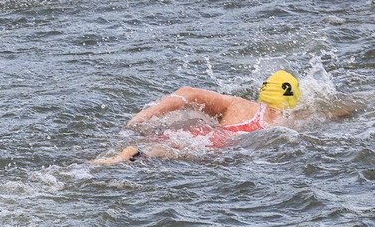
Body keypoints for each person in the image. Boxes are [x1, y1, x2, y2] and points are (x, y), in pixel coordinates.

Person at [92, 70, 303, 164]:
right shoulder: (287, 121)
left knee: (168, 145)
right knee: (171, 154)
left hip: (205, 133)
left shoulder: (239, 104)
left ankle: (130, 153)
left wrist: (142, 117)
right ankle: (135, 155)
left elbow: (188, 92)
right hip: (222, 145)